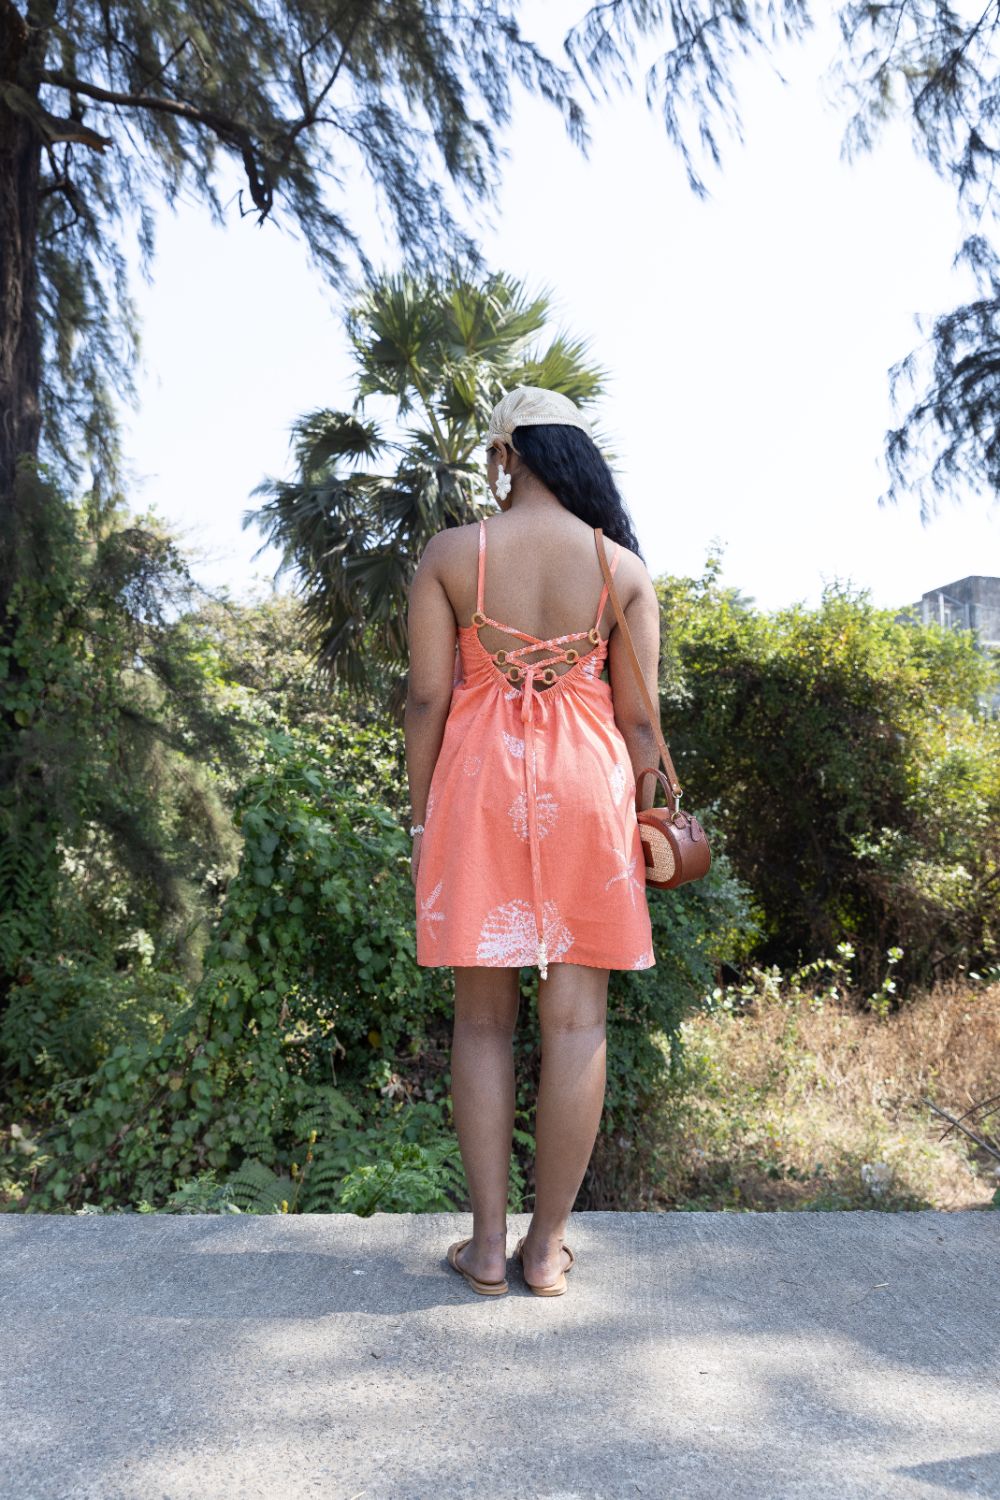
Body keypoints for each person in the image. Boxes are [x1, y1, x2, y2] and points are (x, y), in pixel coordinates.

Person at [404, 385, 661, 1296]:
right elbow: (640, 724)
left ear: (506, 454)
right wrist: (642, 818)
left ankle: (486, 1247)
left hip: (477, 789)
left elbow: (427, 699)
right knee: (578, 1022)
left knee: (481, 1021)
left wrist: (420, 818)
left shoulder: (452, 555)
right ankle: (546, 1249)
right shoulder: (620, 567)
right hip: (589, 792)